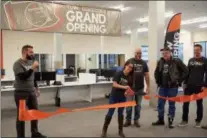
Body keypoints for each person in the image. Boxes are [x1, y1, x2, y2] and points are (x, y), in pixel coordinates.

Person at [13, 45, 46, 138]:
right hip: (21, 93)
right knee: (21, 115)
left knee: (35, 112)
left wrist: (36, 87)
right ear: (24, 52)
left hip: (31, 91)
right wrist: (32, 68)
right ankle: (20, 136)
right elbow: (22, 77)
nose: (33, 54)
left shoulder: (31, 62)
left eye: (33, 52)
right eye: (31, 52)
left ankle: (34, 133)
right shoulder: (17, 64)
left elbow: (32, 77)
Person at [152, 47, 188, 128]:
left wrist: (179, 81)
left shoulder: (176, 61)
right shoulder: (160, 61)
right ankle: (161, 120)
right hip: (162, 87)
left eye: (166, 53)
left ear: (170, 53)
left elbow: (186, 71)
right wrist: (158, 81)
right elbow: (156, 72)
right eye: (163, 53)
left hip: (172, 87)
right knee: (160, 104)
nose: (165, 54)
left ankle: (170, 121)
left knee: (171, 105)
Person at [101, 61, 134, 138]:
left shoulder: (130, 77)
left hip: (122, 97)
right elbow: (114, 84)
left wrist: (126, 92)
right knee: (110, 113)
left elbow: (128, 88)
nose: (130, 68)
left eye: (131, 68)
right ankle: (104, 130)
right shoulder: (119, 73)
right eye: (129, 66)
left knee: (120, 114)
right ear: (125, 66)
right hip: (114, 96)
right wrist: (124, 87)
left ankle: (120, 131)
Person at [178, 44, 207, 128]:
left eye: (197, 50)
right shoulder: (191, 60)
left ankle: (198, 121)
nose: (196, 51)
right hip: (189, 85)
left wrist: (205, 85)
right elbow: (187, 72)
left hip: (199, 86)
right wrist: (184, 83)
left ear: (201, 50)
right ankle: (184, 120)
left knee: (199, 104)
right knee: (185, 103)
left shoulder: (205, 60)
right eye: (195, 50)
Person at [124, 48, 150, 128]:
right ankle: (128, 120)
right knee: (128, 105)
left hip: (140, 88)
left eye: (140, 53)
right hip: (130, 88)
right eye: (138, 53)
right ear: (134, 53)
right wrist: (124, 87)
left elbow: (146, 75)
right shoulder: (129, 61)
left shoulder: (144, 63)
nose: (139, 54)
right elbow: (124, 73)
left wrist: (148, 86)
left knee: (138, 105)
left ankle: (136, 120)